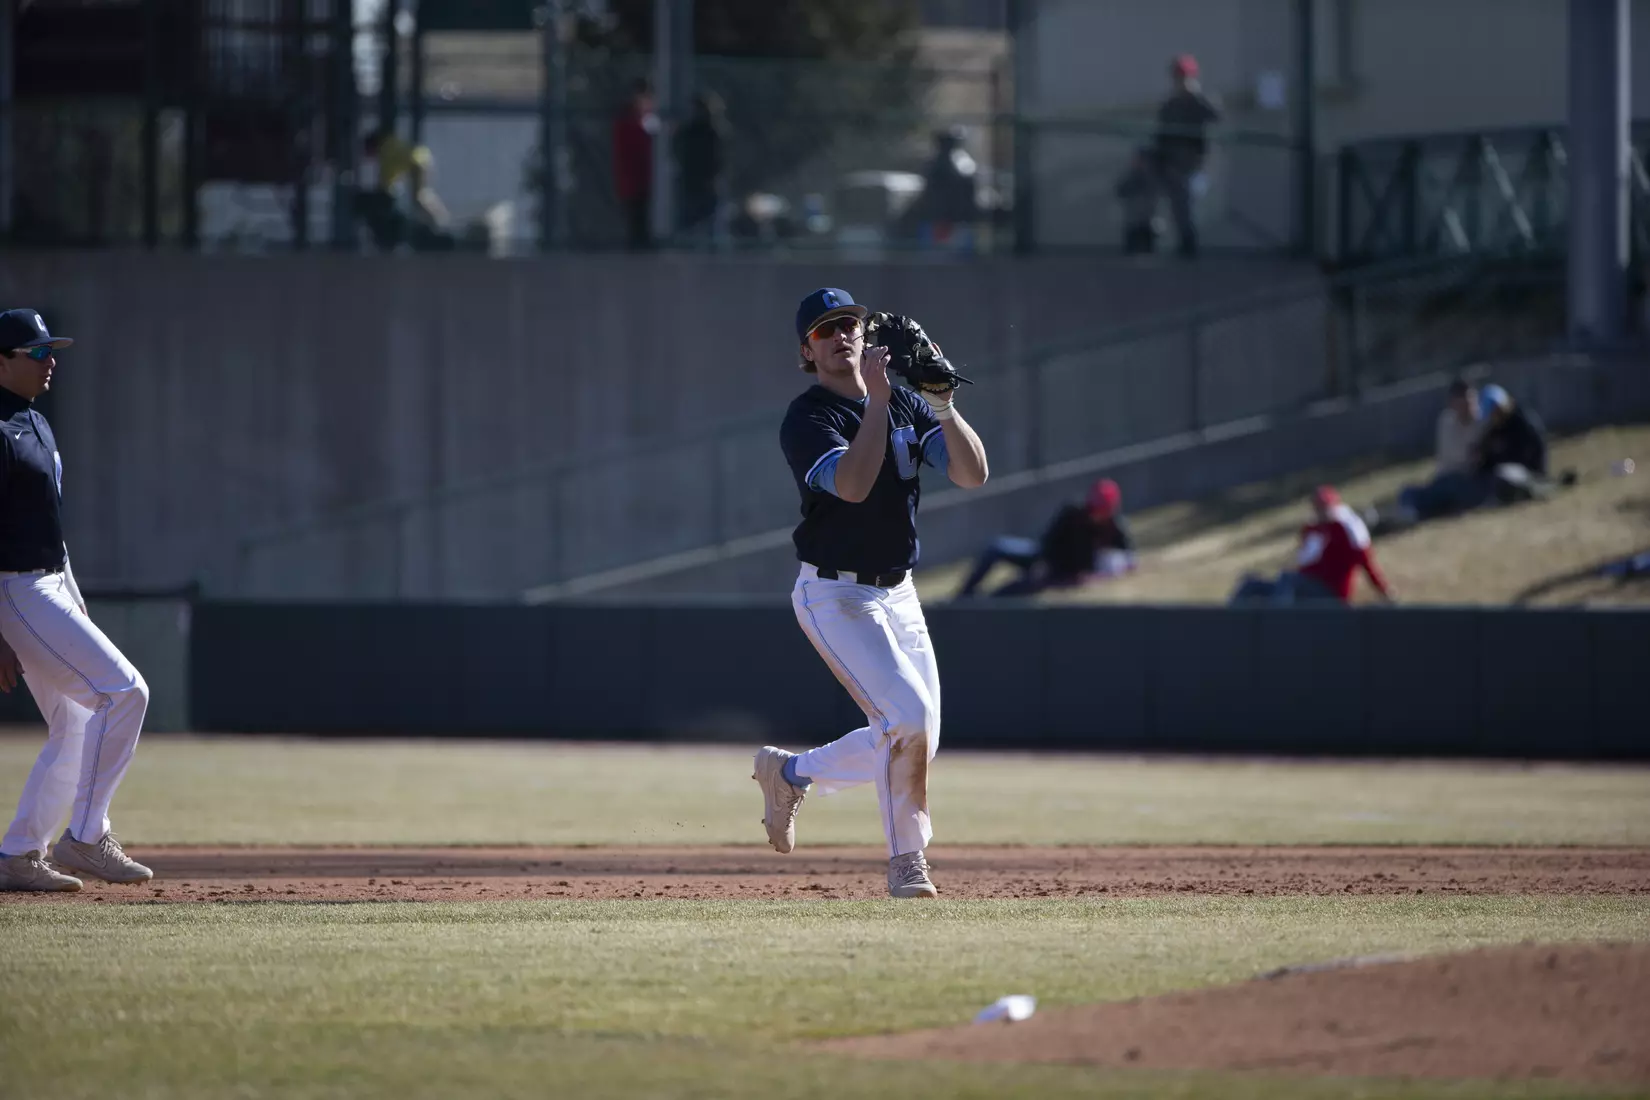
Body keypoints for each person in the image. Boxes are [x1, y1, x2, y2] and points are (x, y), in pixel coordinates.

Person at [753, 288, 990, 899]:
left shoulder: (908, 403)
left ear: (865, 332)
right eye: (825, 330)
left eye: (849, 324)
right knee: (904, 720)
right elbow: (854, 487)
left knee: (919, 735)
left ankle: (791, 773)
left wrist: (943, 406)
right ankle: (908, 863)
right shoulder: (809, 417)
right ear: (807, 349)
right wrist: (881, 400)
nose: (841, 337)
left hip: (898, 593)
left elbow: (972, 474)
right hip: (834, 595)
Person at [0, 309, 152, 893]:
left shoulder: (36, 422)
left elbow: (51, 524)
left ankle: (18, 855)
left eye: (50, 350)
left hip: (50, 581)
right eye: (35, 352)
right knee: (125, 692)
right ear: (1, 361)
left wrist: (74, 594)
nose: (49, 360)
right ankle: (86, 838)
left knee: (75, 723)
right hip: (14, 588)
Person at [956, 477, 1136, 598]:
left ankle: (981, 605)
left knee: (1010, 591)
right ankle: (962, 597)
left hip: (1062, 575)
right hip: (1042, 556)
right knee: (996, 547)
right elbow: (1049, 540)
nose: (1096, 514)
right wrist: (1043, 562)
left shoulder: (1115, 528)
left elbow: (1129, 560)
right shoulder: (1073, 512)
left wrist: (1096, 575)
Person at [1230, 486, 1393, 606]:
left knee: (1288, 581)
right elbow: (1303, 559)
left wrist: (1385, 593)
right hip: (1304, 587)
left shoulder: (1348, 530)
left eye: (1323, 508)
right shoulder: (1312, 528)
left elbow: (1368, 565)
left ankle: (1275, 626)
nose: (1319, 512)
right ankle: (1228, 627)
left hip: (1331, 594)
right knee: (1250, 584)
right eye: (1317, 508)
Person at [1390, 379, 1485, 524]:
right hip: (1446, 479)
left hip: (1469, 481)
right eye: (1462, 402)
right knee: (1408, 492)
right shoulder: (1447, 421)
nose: (1467, 407)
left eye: (1470, 401)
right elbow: (1455, 456)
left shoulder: (1482, 422)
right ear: (1453, 403)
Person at [1153, 54, 1220, 258]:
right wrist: (1164, 163)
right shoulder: (1169, 105)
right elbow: (1161, 136)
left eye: (1184, 76)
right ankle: (1184, 246)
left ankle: (1190, 246)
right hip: (1173, 165)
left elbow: (1216, 115)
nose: (1181, 81)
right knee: (1177, 208)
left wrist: (1196, 94)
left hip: (1195, 164)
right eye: (1178, 76)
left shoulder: (1199, 100)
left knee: (1189, 205)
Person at [357, 128, 454, 252]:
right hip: (422, 159)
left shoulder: (385, 150)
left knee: (419, 197)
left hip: (417, 164)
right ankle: (439, 219)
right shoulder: (389, 143)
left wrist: (382, 190)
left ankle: (440, 221)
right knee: (422, 195)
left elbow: (386, 178)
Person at [1474, 383, 1550, 503]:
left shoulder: (1523, 423)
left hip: (1528, 475)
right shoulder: (1493, 431)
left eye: (1494, 413)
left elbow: (1537, 451)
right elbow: (1488, 460)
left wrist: (1538, 475)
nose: (1492, 418)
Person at [674, 91, 730, 247]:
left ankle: (709, 247)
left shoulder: (711, 133)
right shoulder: (688, 132)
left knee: (708, 221)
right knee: (690, 221)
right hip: (692, 182)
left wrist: (712, 177)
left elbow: (718, 159)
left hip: (705, 183)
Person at [612, 79, 657, 250]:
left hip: (642, 182)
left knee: (641, 219)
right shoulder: (628, 122)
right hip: (634, 182)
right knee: (636, 220)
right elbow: (636, 149)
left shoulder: (644, 120)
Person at [1115, 147, 1162, 255]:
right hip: (1133, 220)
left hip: (1147, 220)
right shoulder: (1131, 176)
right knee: (1131, 249)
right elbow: (1121, 191)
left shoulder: (1153, 176)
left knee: (1147, 250)